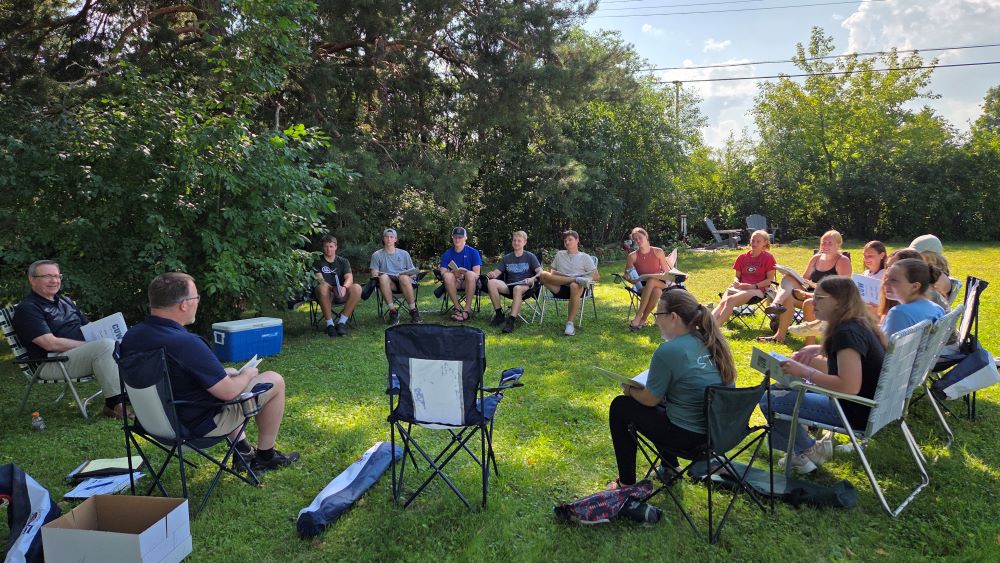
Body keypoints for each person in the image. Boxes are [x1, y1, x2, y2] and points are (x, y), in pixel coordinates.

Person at [119, 272, 299, 472]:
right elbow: (228, 393)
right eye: (196, 297)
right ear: (184, 304)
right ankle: (266, 456)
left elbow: (174, 378)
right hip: (195, 428)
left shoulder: (131, 337)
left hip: (152, 424)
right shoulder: (186, 343)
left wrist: (224, 374)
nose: (198, 302)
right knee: (274, 380)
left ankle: (243, 451)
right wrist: (246, 375)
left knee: (225, 378)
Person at [607, 288, 736, 488]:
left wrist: (629, 389)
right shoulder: (712, 340)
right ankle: (669, 467)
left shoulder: (668, 350)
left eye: (658, 314)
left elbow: (650, 399)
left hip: (691, 438)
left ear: (673, 317)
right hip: (721, 433)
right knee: (667, 399)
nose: (656, 320)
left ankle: (626, 484)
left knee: (621, 406)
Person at [761, 276, 887, 474]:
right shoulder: (859, 323)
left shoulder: (846, 333)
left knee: (769, 398)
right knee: (781, 388)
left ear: (839, 302)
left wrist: (805, 372)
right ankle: (803, 450)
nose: (812, 302)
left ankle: (806, 451)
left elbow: (848, 386)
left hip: (853, 412)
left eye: (819, 298)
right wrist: (819, 348)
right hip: (870, 407)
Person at [12, 260, 126, 418]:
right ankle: (114, 405)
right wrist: (92, 345)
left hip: (78, 356)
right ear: (32, 279)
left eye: (57, 276)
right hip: (52, 362)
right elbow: (50, 343)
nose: (54, 280)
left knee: (130, 339)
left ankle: (138, 396)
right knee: (106, 346)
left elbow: (89, 327)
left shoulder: (65, 301)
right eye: (47, 276)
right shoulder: (28, 308)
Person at [759, 230, 851, 344]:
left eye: (829, 243)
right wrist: (792, 276)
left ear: (838, 244)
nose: (825, 245)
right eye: (823, 243)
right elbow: (804, 280)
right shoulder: (816, 258)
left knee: (807, 301)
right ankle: (778, 329)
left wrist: (813, 293)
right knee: (787, 280)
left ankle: (809, 343)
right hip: (807, 294)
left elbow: (843, 289)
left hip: (829, 300)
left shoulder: (842, 261)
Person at [539, 230, 599, 336]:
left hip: (577, 290)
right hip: (560, 287)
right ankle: (573, 279)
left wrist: (579, 278)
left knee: (574, 285)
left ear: (577, 241)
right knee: (543, 274)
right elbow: (551, 272)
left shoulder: (585, 257)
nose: (567, 242)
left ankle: (570, 324)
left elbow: (596, 276)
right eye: (565, 240)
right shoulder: (559, 254)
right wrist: (569, 277)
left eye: (570, 240)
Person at [712, 230, 776, 326]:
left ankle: (714, 328)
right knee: (722, 302)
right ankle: (707, 325)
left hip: (758, 290)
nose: (754, 243)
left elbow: (770, 280)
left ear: (765, 243)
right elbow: (737, 277)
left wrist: (753, 286)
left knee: (730, 300)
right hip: (740, 288)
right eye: (753, 240)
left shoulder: (768, 258)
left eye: (758, 241)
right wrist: (736, 282)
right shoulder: (742, 257)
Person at [484, 230, 542, 333]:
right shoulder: (507, 258)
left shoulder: (530, 256)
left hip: (525, 287)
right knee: (491, 282)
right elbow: (497, 272)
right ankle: (499, 314)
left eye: (519, 241)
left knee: (517, 288)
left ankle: (511, 321)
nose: (516, 243)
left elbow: (540, 272)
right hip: (509, 286)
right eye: (514, 240)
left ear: (524, 242)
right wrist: (492, 274)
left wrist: (532, 279)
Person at [623, 227, 675, 331]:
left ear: (646, 236)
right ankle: (643, 320)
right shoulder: (632, 256)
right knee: (656, 292)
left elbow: (667, 272)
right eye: (635, 239)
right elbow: (626, 274)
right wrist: (630, 280)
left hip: (662, 283)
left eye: (640, 237)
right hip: (643, 286)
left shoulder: (658, 251)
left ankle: (637, 317)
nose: (638, 240)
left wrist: (662, 276)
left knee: (652, 281)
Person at [312, 235, 361, 337]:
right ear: (323, 247)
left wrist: (344, 287)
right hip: (325, 293)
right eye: (326, 246)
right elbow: (320, 279)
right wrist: (334, 289)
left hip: (341, 291)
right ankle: (330, 325)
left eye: (331, 246)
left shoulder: (343, 261)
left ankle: (341, 323)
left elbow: (349, 277)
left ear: (336, 247)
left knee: (357, 288)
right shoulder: (317, 261)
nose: (328, 249)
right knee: (322, 287)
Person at [881, 259, 945, 337]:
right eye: (887, 277)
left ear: (915, 286)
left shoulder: (899, 313)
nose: (885, 283)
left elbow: (885, 348)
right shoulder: (937, 309)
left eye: (893, 280)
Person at [370, 228, 421, 326]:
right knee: (383, 277)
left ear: (395, 239)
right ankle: (393, 311)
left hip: (405, 284)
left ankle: (413, 310)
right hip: (389, 284)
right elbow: (374, 274)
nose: (389, 239)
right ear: (383, 239)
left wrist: (408, 274)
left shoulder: (404, 254)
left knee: (403, 277)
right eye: (386, 237)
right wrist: (379, 275)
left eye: (391, 237)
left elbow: (414, 273)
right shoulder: (377, 255)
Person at [440, 227, 483, 322]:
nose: (457, 239)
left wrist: (466, 274)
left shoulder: (473, 252)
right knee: (447, 275)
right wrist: (452, 273)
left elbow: (477, 274)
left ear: (465, 238)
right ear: (452, 238)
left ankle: (467, 310)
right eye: (455, 237)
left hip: (468, 282)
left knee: (471, 274)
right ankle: (457, 308)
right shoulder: (447, 254)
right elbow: (442, 272)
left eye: (460, 237)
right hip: (454, 282)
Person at [877, 248, 922, 321]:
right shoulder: (895, 300)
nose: (887, 273)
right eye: (888, 267)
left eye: (894, 268)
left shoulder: (899, 313)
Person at [909, 234, 954, 307]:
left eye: (916, 255)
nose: (911, 258)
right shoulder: (938, 274)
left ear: (930, 257)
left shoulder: (935, 277)